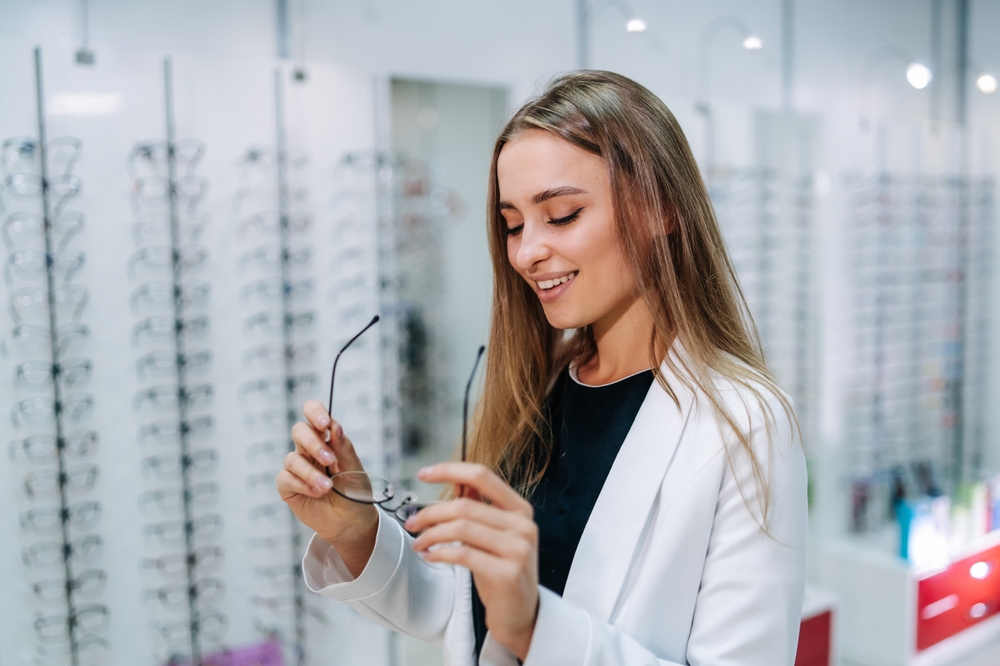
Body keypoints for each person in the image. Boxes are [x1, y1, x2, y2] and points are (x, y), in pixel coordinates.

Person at [276, 70, 808, 666]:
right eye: (512, 225)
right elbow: (467, 614)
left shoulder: (744, 424)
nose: (527, 252)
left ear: (662, 210)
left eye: (560, 216)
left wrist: (535, 627)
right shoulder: (538, 388)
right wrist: (358, 534)